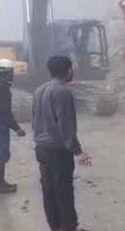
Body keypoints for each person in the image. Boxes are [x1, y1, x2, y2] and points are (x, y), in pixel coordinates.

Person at [32, 56, 92, 231]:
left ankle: (56, 227)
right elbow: (65, 125)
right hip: (57, 150)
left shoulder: (39, 90)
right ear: (68, 71)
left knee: (48, 190)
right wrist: (78, 151)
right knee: (63, 191)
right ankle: (68, 228)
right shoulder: (62, 92)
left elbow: (35, 120)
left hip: (41, 148)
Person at [0, 58, 25, 193]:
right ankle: (1, 184)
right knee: (1, 156)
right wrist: (17, 128)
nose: (12, 76)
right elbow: (4, 112)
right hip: (1, 125)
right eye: (10, 73)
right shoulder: (3, 88)